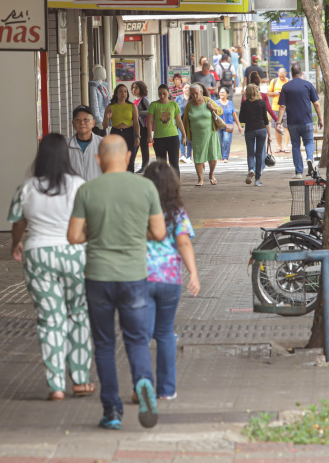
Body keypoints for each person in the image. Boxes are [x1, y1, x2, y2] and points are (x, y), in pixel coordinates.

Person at [67, 135, 166, 430]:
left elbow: (73, 236)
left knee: (104, 345)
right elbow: (160, 233)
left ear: (98, 160)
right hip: (134, 276)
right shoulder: (145, 186)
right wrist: (136, 235)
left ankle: (112, 411)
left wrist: (95, 236)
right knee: (136, 340)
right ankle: (144, 383)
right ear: (126, 158)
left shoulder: (87, 190)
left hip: (97, 277)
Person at [9, 134, 94, 400]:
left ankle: (56, 385)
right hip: (74, 254)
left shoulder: (27, 187)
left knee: (50, 319)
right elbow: (91, 221)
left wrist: (16, 244)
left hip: (38, 254)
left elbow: (17, 222)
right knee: (79, 314)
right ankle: (80, 381)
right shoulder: (80, 185)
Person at [142, 162, 200, 400]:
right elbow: (184, 243)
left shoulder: (139, 210)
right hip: (170, 280)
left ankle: (143, 384)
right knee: (165, 333)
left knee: (141, 335)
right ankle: (166, 390)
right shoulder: (178, 213)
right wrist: (193, 273)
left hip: (141, 278)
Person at [277, 63, 323, 178]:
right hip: (306, 120)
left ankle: (298, 172)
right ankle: (310, 159)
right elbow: (316, 104)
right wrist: (320, 119)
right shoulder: (308, 85)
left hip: (292, 122)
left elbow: (282, 106)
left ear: (291, 74)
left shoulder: (286, 87)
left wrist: (279, 122)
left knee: (296, 145)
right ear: (302, 73)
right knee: (309, 141)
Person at [182, 83, 223, 186]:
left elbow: (220, 110)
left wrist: (212, 108)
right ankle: (200, 179)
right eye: (192, 94)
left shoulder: (208, 101)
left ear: (201, 92)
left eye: (196, 93)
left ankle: (211, 174)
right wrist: (185, 135)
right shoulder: (189, 105)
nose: (195, 96)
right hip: (197, 136)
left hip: (211, 134)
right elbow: (185, 121)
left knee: (213, 156)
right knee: (198, 157)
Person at [147, 84, 187, 176]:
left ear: (168, 93)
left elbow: (179, 121)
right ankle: (163, 185)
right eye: (160, 94)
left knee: (174, 163)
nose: (162, 96)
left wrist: (184, 135)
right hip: (158, 138)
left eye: (164, 94)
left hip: (173, 137)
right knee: (161, 165)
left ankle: (175, 185)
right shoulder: (154, 105)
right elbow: (149, 122)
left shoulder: (174, 104)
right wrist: (149, 135)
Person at [102, 83, 141, 173]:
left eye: (125, 91)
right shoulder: (110, 107)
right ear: (116, 94)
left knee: (130, 161)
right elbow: (104, 125)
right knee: (117, 160)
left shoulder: (132, 106)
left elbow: (136, 123)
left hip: (129, 133)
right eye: (120, 91)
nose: (123, 93)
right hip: (116, 133)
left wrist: (138, 136)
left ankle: (130, 182)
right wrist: (107, 118)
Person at [240, 84, 270, 187]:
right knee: (259, 154)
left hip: (250, 130)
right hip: (261, 129)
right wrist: (269, 133)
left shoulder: (244, 104)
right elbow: (265, 119)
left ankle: (251, 169)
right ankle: (257, 179)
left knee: (250, 153)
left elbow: (241, 119)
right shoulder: (262, 103)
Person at [68, 105, 103, 181]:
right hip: (74, 192)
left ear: (93, 123)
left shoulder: (103, 144)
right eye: (78, 120)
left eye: (86, 119)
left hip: (96, 191)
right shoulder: (65, 146)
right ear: (73, 123)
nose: (82, 123)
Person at [217, 88, 242, 163]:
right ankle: (220, 156)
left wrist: (239, 125)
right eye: (220, 92)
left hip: (228, 125)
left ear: (227, 94)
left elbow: (234, 114)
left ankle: (225, 157)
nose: (221, 94)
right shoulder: (215, 102)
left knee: (226, 140)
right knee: (219, 141)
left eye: (223, 93)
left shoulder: (230, 103)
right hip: (218, 125)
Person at [270, 67, 290, 153]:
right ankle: (280, 146)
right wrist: (275, 93)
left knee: (286, 127)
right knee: (277, 128)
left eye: (283, 76)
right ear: (278, 73)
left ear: (286, 74)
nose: (281, 78)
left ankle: (285, 146)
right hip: (275, 107)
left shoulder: (289, 82)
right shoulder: (274, 81)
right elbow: (268, 93)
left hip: (286, 107)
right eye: (280, 76)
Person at [88, 65, 111, 137]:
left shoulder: (104, 86)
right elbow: (94, 105)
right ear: (96, 73)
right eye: (101, 71)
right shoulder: (93, 87)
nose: (104, 73)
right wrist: (99, 120)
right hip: (97, 122)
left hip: (104, 119)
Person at [134, 81, 151, 173]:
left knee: (144, 146)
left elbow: (151, 111)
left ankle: (145, 166)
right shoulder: (135, 99)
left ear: (141, 89)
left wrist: (140, 113)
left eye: (136, 88)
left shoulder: (144, 99)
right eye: (133, 88)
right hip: (136, 126)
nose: (134, 90)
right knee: (137, 145)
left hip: (143, 126)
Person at [176, 84, 193, 164]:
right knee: (181, 138)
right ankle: (183, 155)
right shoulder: (178, 98)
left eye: (189, 88)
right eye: (185, 88)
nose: (187, 89)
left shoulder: (193, 98)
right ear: (182, 89)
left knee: (189, 139)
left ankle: (189, 156)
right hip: (181, 121)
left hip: (190, 122)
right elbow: (174, 109)